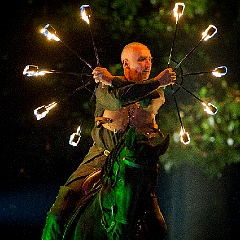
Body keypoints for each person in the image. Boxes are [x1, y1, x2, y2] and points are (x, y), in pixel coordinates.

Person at [42, 42, 176, 239]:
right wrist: (154, 80)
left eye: (149, 59)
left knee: (158, 227)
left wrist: (113, 79)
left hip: (131, 167)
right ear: (126, 63)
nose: (148, 64)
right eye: (141, 59)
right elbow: (118, 100)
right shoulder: (105, 88)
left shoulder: (157, 92)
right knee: (57, 213)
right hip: (99, 158)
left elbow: (143, 97)